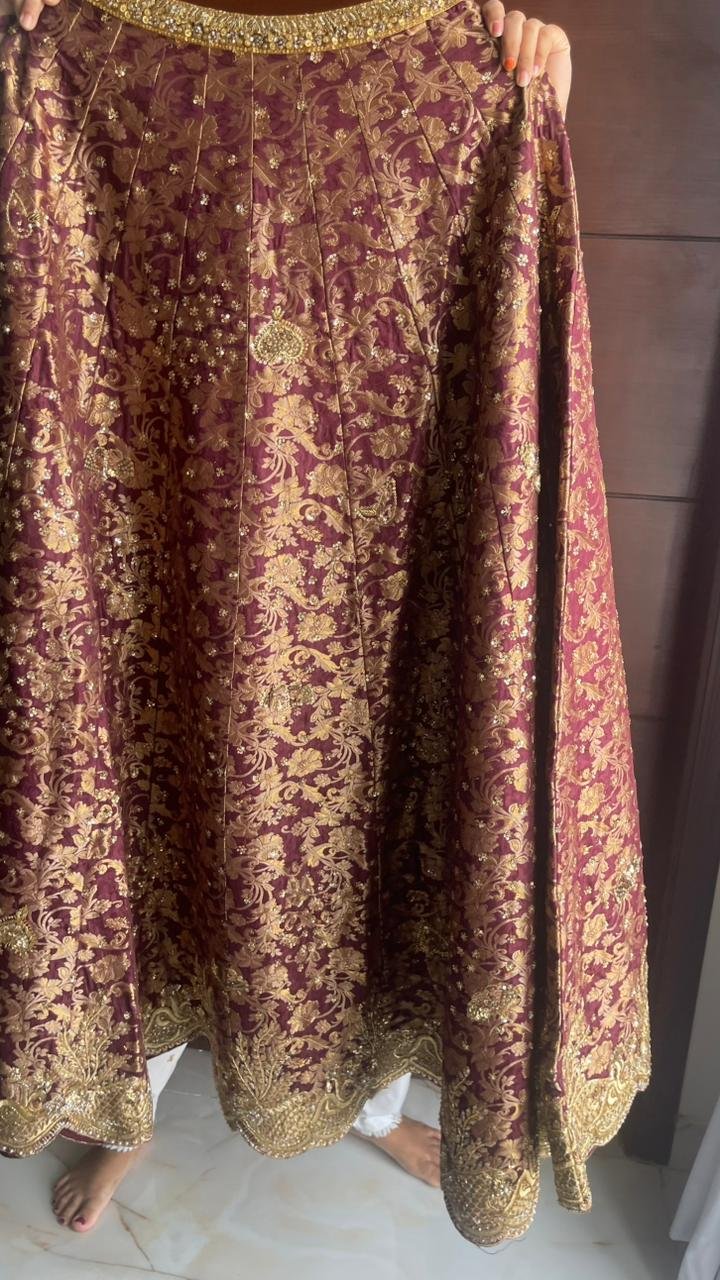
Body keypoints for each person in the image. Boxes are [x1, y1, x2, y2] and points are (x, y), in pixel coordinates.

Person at [2, 0, 644, 1251]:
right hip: (169, 427)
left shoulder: (461, 63)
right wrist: (40, 47)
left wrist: (522, 69)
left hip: (383, 505)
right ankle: (130, 1102)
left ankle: (375, 1108)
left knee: (385, 808)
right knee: (157, 766)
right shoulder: (89, 52)